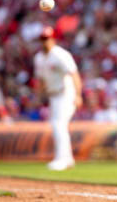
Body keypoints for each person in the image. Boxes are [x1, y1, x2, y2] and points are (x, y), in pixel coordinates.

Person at [34, 26, 83, 171]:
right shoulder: (39, 58)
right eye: (43, 39)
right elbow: (41, 80)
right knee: (57, 125)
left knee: (59, 125)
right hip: (53, 95)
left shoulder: (60, 55)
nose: (45, 42)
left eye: (47, 39)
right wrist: (38, 95)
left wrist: (78, 95)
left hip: (66, 93)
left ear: (53, 39)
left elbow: (74, 74)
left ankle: (62, 159)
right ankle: (67, 159)